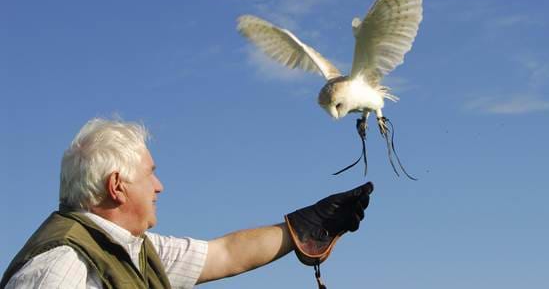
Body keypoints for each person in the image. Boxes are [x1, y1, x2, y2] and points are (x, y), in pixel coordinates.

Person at [1, 118, 373, 288]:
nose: (160, 187)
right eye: (150, 174)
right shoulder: (62, 266)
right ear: (117, 186)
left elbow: (224, 254)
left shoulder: (136, 250)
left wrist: (304, 228)